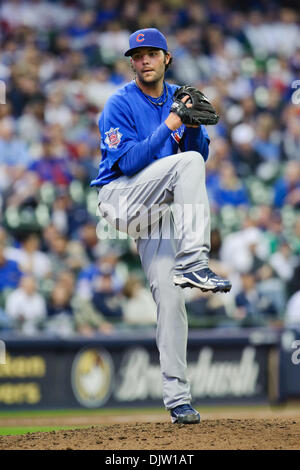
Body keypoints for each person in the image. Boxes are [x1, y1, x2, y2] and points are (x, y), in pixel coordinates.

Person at [91, 28, 231, 424]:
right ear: (131, 62)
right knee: (187, 166)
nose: (144, 60)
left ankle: (178, 401)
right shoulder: (119, 102)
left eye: (152, 53)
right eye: (137, 55)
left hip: (156, 209)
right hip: (120, 197)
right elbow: (132, 162)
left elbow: (198, 151)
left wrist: (189, 125)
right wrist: (171, 121)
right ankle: (195, 260)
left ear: (166, 58)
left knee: (172, 301)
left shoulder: (178, 97)